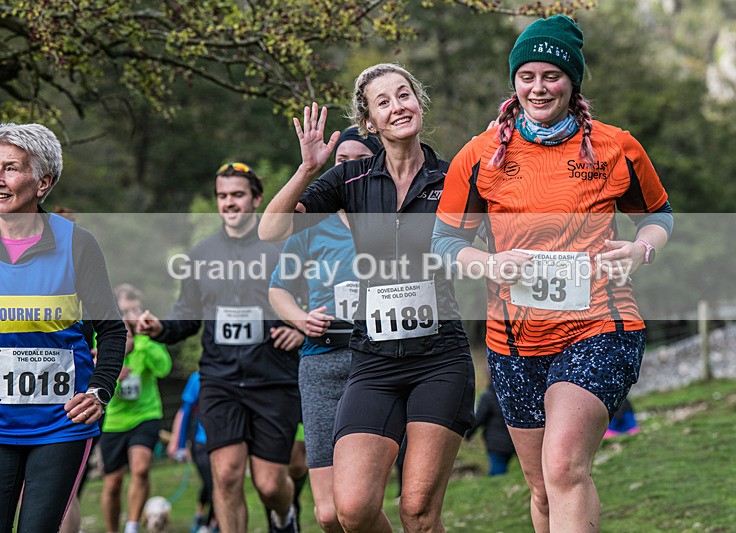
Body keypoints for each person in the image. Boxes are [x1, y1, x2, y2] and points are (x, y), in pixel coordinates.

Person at [432, 15, 673, 531]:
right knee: (541, 488)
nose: (538, 88)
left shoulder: (616, 147)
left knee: (564, 468)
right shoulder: (479, 155)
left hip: (600, 326)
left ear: (573, 82)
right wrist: (491, 263)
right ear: (514, 81)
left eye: (551, 76)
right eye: (527, 76)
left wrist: (639, 250)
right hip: (514, 340)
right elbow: (446, 242)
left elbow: (659, 215)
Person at [260, 63, 476, 533]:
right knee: (352, 509)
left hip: (440, 357)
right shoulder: (350, 180)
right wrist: (308, 169)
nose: (398, 106)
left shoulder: (453, 175)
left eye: (405, 95)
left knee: (418, 511)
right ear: (369, 122)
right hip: (374, 360)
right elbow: (272, 229)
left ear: (419, 102)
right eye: (384, 101)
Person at [137, 162, 304, 533]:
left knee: (270, 483)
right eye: (223, 196)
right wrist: (160, 327)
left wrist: (301, 332)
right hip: (220, 381)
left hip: (273, 380)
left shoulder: (282, 249)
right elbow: (187, 314)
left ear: (257, 199)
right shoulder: (201, 254)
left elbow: (310, 304)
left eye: (238, 195)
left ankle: (284, 516)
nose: (229, 203)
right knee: (226, 476)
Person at [0, 122, 126, 531]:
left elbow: (112, 330)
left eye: (10, 168)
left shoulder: (77, 243)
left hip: (60, 425)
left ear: (43, 182)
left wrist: (100, 390)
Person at [268, 126, 381, 532]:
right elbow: (278, 289)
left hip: (377, 362)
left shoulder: (392, 219)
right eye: (341, 161)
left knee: (360, 505)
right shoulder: (311, 225)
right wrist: (299, 319)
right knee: (329, 514)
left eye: (359, 160)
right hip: (320, 364)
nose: (349, 168)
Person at [100, 283, 172, 533]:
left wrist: (143, 339)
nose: (130, 317)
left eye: (134, 310)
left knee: (140, 469)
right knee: (113, 483)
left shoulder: (147, 338)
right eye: (125, 311)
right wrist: (111, 371)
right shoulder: (103, 337)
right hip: (113, 420)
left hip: (146, 414)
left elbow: (164, 368)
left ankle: (131, 526)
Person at [168, 371, 219, 533]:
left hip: (224, 443)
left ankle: (205, 520)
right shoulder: (197, 378)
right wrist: (181, 446)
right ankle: (210, 524)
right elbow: (186, 412)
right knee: (213, 486)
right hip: (201, 443)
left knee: (216, 485)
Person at [465, 383, 516, 476]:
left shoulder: (489, 396)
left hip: (496, 442)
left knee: (497, 473)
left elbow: (479, 418)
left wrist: (468, 433)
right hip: (513, 440)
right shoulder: (512, 395)